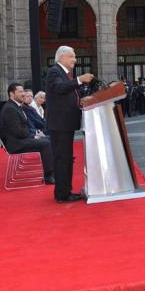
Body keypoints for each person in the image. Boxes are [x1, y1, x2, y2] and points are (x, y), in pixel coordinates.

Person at [46, 46, 94, 203]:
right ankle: (62, 194)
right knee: (62, 159)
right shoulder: (55, 71)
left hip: (65, 124)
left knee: (66, 158)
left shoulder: (64, 74)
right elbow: (59, 89)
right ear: (61, 58)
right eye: (71, 56)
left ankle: (65, 191)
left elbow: (65, 95)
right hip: (60, 124)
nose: (75, 59)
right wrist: (79, 80)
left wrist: (80, 102)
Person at [0, 83, 55, 184]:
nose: (23, 94)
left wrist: (34, 135)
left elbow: (22, 129)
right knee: (46, 143)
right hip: (16, 144)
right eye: (20, 92)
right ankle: (48, 176)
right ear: (11, 94)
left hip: (21, 140)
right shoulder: (10, 109)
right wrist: (34, 136)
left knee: (48, 139)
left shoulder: (16, 106)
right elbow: (18, 131)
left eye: (23, 91)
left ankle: (53, 170)